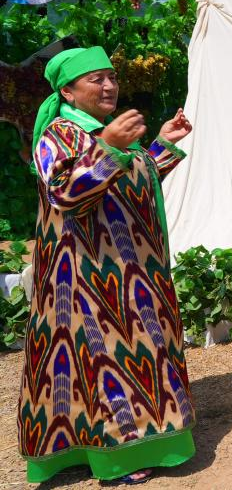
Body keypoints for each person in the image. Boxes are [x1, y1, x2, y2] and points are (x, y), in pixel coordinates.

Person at [21, 46, 196, 484]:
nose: (109, 86)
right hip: (86, 274)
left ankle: (150, 440)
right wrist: (109, 147)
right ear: (67, 91)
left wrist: (162, 145)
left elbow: (133, 181)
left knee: (140, 352)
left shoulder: (104, 131)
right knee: (103, 361)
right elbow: (65, 192)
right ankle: (119, 455)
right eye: (96, 79)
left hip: (130, 267)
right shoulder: (59, 135)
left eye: (112, 77)